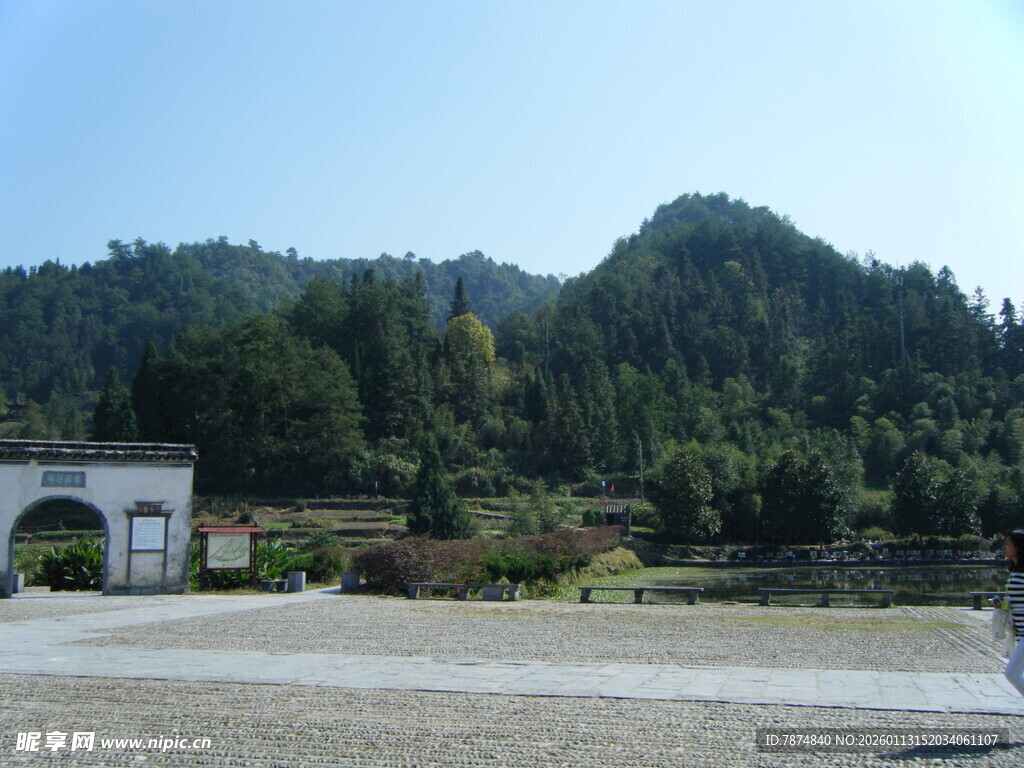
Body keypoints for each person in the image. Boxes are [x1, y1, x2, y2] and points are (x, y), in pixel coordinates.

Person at [1000, 530, 1024, 695]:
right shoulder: (1015, 570)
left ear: (1018, 546)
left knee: (1011, 673)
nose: (1004, 547)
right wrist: (1000, 603)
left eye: (1007, 543)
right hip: (1020, 632)